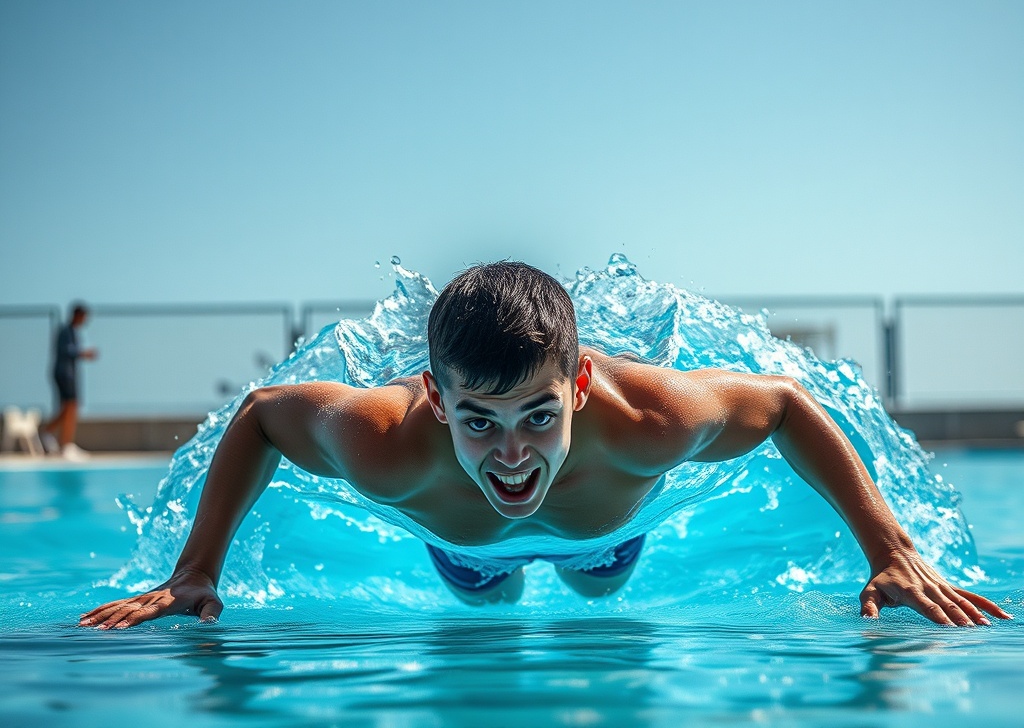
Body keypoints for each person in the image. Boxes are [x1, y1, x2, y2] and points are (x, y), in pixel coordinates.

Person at [80, 262, 1010, 629]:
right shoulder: (386, 444)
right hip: (460, 543)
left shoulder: (651, 422)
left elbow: (783, 403)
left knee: (597, 584)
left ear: (580, 388)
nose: (512, 453)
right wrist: (194, 568)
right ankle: (487, 568)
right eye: (478, 419)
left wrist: (891, 549)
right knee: (483, 586)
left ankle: (591, 561)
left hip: (606, 532)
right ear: (439, 404)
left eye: (537, 414)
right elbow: (262, 415)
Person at [41, 302, 98, 458]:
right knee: (69, 406)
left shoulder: (72, 331)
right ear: (77, 315)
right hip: (64, 374)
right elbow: (67, 351)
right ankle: (62, 443)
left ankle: (63, 442)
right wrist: (84, 353)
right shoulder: (65, 331)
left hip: (69, 375)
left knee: (71, 407)